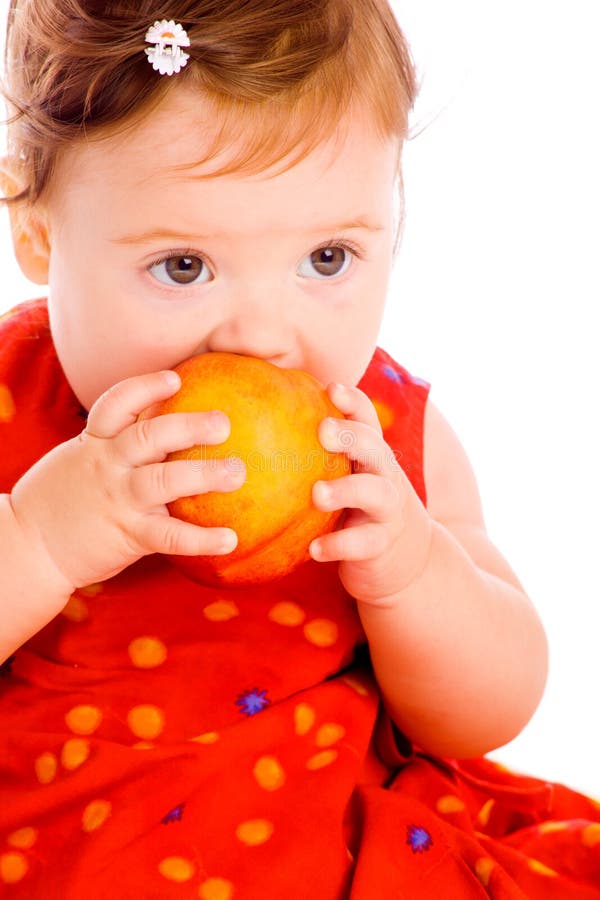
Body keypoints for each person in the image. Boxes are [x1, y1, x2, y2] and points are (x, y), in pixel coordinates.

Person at [0, 1, 598, 897]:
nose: (262, 338)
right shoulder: (13, 400)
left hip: (323, 855)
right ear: (40, 232)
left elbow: (487, 714)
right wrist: (37, 540)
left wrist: (411, 574)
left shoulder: (381, 441)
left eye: (326, 258)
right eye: (184, 267)